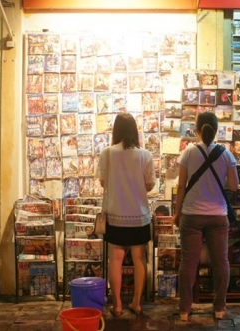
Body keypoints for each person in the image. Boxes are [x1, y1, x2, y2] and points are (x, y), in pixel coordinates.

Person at [173, 112, 239, 321]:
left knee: (189, 263)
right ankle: (219, 308)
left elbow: (181, 185)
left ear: (197, 129)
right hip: (218, 215)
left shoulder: (188, 152)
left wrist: (177, 212)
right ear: (217, 129)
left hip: (191, 215)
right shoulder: (226, 154)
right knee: (221, 262)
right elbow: (234, 186)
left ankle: (184, 310)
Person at [95, 113, 156, 317]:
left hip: (115, 214)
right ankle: (137, 303)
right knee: (139, 259)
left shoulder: (107, 153)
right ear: (134, 131)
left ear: (116, 130)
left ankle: (118, 305)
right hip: (139, 216)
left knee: (115, 259)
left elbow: (103, 182)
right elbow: (149, 186)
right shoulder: (145, 155)